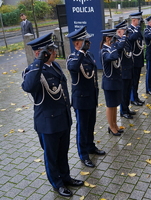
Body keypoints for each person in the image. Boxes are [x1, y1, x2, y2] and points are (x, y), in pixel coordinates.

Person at [21, 33, 83, 197]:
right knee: (51, 156)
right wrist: (38, 62)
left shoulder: (54, 66)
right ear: (39, 53)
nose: (55, 52)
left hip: (62, 118)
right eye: (50, 50)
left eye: (53, 49)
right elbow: (28, 86)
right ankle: (57, 183)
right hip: (48, 123)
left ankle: (66, 177)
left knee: (62, 152)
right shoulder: (32, 70)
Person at [66, 26, 106, 168]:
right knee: (82, 128)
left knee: (90, 125)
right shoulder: (72, 58)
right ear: (77, 43)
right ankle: (83, 155)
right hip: (81, 99)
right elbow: (74, 68)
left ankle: (90, 146)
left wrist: (84, 52)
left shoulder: (89, 55)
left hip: (91, 97)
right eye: (85, 40)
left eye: (87, 40)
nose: (88, 42)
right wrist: (81, 51)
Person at [100, 28, 124, 136]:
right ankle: (111, 126)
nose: (114, 40)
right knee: (110, 105)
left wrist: (121, 37)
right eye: (112, 38)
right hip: (109, 82)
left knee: (115, 105)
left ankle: (115, 124)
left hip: (115, 81)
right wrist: (114, 45)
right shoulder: (104, 51)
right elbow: (114, 56)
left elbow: (121, 47)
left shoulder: (111, 48)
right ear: (107, 38)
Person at [115, 20, 137, 119]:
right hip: (123, 71)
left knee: (128, 91)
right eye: (124, 31)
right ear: (119, 32)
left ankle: (127, 108)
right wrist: (123, 37)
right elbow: (119, 49)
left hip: (129, 69)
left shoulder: (126, 40)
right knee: (123, 93)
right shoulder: (117, 42)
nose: (126, 32)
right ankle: (123, 111)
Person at [128, 12, 145, 106]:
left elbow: (142, 39)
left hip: (138, 58)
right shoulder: (130, 30)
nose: (139, 22)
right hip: (133, 58)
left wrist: (139, 30)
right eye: (138, 20)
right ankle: (132, 98)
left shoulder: (137, 30)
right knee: (133, 80)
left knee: (137, 79)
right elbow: (131, 39)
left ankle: (136, 96)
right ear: (134, 20)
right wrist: (138, 29)